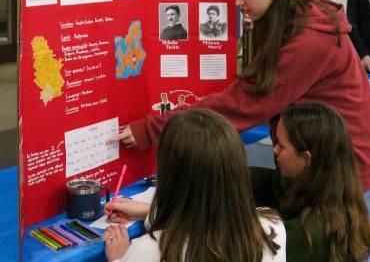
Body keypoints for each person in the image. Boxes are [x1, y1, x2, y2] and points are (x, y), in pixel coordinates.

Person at [109, 0, 370, 261]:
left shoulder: (308, 39)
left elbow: (240, 104)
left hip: (343, 167)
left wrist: (154, 127)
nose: (237, 2)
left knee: (354, 253)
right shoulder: (294, 11)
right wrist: (153, 208)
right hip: (326, 161)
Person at [103, 109, 285, 262]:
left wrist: (121, 258)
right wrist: (148, 211)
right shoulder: (273, 227)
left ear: (170, 176)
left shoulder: (148, 251)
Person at [251, 103, 370, 261]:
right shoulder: (338, 193)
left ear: (307, 158)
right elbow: (268, 181)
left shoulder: (305, 235)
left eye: (281, 146)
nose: (275, 149)